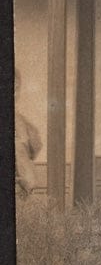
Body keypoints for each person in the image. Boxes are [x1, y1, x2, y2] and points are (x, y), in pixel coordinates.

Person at [14, 68, 42, 199]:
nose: (14, 93)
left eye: (16, 88)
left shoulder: (21, 121)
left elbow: (35, 146)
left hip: (22, 186)